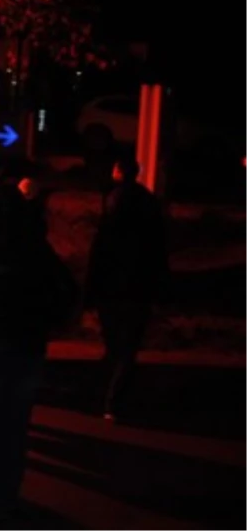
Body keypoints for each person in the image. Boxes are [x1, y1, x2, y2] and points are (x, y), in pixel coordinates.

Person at [0, 184, 77, 524]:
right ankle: (5, 499)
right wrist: (46, 324)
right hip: (26, 348)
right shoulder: (36, 251)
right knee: (15, 428)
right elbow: (66, 292)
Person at [85, 156, 167, 422]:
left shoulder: (112, 203)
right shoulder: (149, 204)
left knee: (113, 344)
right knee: (128, 347)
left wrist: (91, 288)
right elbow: (158, 250)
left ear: (119, 172)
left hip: (111, 287)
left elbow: (100, 249)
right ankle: (115, 401)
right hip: (138, 287)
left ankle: (104, 397)